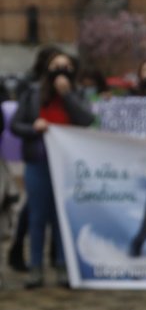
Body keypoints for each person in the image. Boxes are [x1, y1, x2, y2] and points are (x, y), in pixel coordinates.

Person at [9, 50, 95, 288]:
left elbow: (87, 120)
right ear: (47, 69)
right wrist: (34, 128)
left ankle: (62, 266)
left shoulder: (77, 94)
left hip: (67, 166)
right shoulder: (32, 93)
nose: (60, 70)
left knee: (61, 217)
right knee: (37, 217)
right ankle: (35, 268)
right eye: (56, 65)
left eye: (66, 66)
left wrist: (66, 94)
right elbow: (16, 125)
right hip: (38, 162)